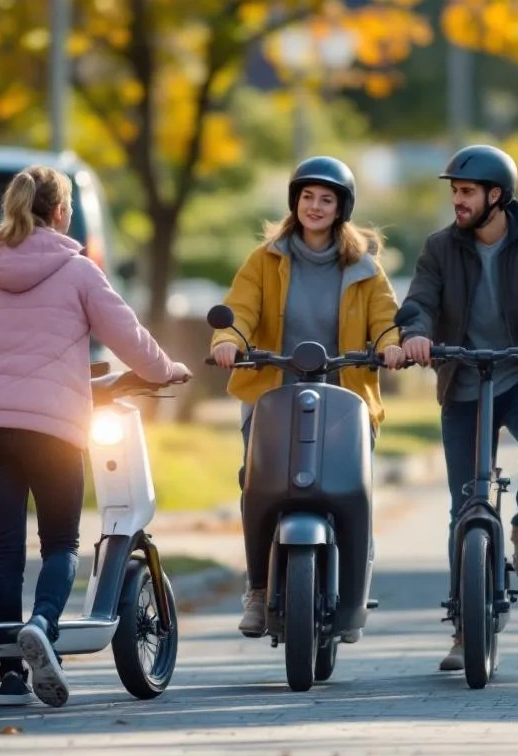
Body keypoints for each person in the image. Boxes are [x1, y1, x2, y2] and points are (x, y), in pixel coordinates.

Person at [0, 165, 190, 708]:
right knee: (61, 542)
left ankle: (9, 677)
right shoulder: (78, 270)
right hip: (51, 427)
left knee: (4, 549)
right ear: (59, 212)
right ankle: (42, 626)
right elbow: (126, 333)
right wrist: (165, 368)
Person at [399, 144, 518, 672]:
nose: (457, 201)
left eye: (466, 192)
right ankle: (464, 631)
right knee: (464, 508)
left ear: (496, 196)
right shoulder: (440, 248)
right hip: (463, 378)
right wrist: (415, 336)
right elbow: (420, 301)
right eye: (454, 192)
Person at [208, 156, 406, 638]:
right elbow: (239, 309)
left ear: (342, 208)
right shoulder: (266, 259)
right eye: (307, 197)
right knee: (258, 489)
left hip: (345, 395)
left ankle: (353, 593)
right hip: (274, 392)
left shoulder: (364, 267)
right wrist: (227, 342)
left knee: (352, 493)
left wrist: (391, 347)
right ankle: (258, 589)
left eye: (326, 199)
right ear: (294, 202)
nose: (315, 207)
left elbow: (385, 319)